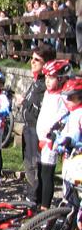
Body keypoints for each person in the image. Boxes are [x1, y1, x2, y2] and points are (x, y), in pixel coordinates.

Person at [17, 43, 56, 204]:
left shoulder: (45, 85)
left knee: (35, 165)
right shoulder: (37, 81)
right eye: (31, 59)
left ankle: (34, 199)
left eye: (36, 60)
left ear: (46, 63)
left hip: (36, 130)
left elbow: (42, 112)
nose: (32, 62)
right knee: (29, 164)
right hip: (28, 128)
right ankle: (32, 196)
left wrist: (25, 103)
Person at [34, 59, 72, 210]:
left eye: (52, 78)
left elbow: (61, 120)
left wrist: (51, 137)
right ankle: (39, 202)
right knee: (41, 173)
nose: (48, 81)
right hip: (41, 138)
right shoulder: (48, 93)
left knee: (47, 174)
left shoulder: (63, 98)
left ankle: (45, 207)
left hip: (51, 141)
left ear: (61, 78)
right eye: (47, 78)